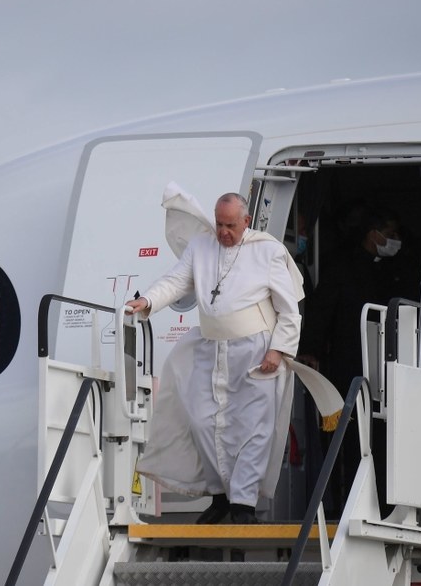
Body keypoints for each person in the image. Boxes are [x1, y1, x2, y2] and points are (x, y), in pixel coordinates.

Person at [127, 191, 303, 524]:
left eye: (231, 226)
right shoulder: (202, 246)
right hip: (211, 348)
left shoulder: (268, 251)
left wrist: (277, 350)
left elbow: (289, 310)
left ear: (246, 221)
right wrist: (148, 301)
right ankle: (222, 496)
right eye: (219, 224)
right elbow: (177, 281)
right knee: (204, 422)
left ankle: (243, 506)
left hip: (256, 352)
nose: (223, 232)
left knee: (253, 429)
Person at [296, 204, 404, 517]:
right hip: (348, 367)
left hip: (383, 370)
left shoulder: (385, 270)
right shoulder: (343, 268)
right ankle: (348, 506)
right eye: (391, 234)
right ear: (374, 234)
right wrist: (311, 349)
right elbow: (322, 312)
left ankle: (381, 503)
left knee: (381, 439)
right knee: (351, 442)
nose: (396, 240)